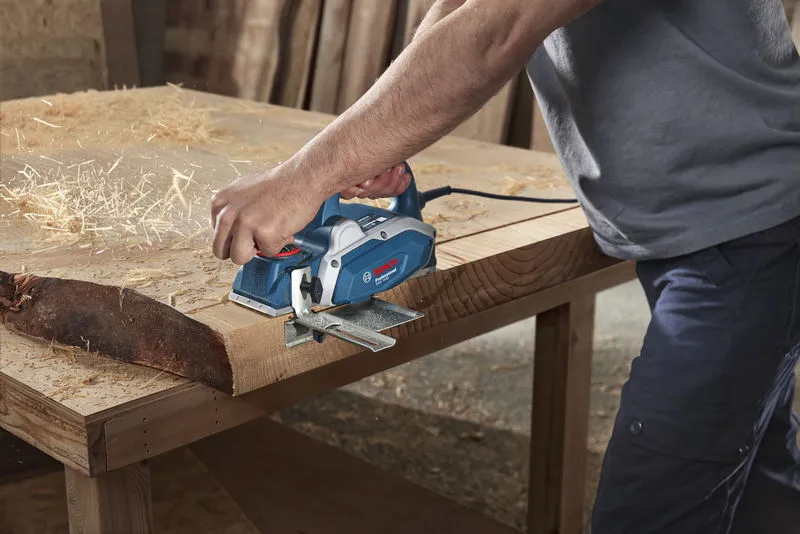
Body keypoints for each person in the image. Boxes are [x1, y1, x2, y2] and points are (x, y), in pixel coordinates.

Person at [210, 1, 800, 531]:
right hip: (710, 228)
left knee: (648, 510)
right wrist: (385, 142)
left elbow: (500, 28)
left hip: (751, 232)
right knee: (752, 470)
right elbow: (460, 9)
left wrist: (307, 177)